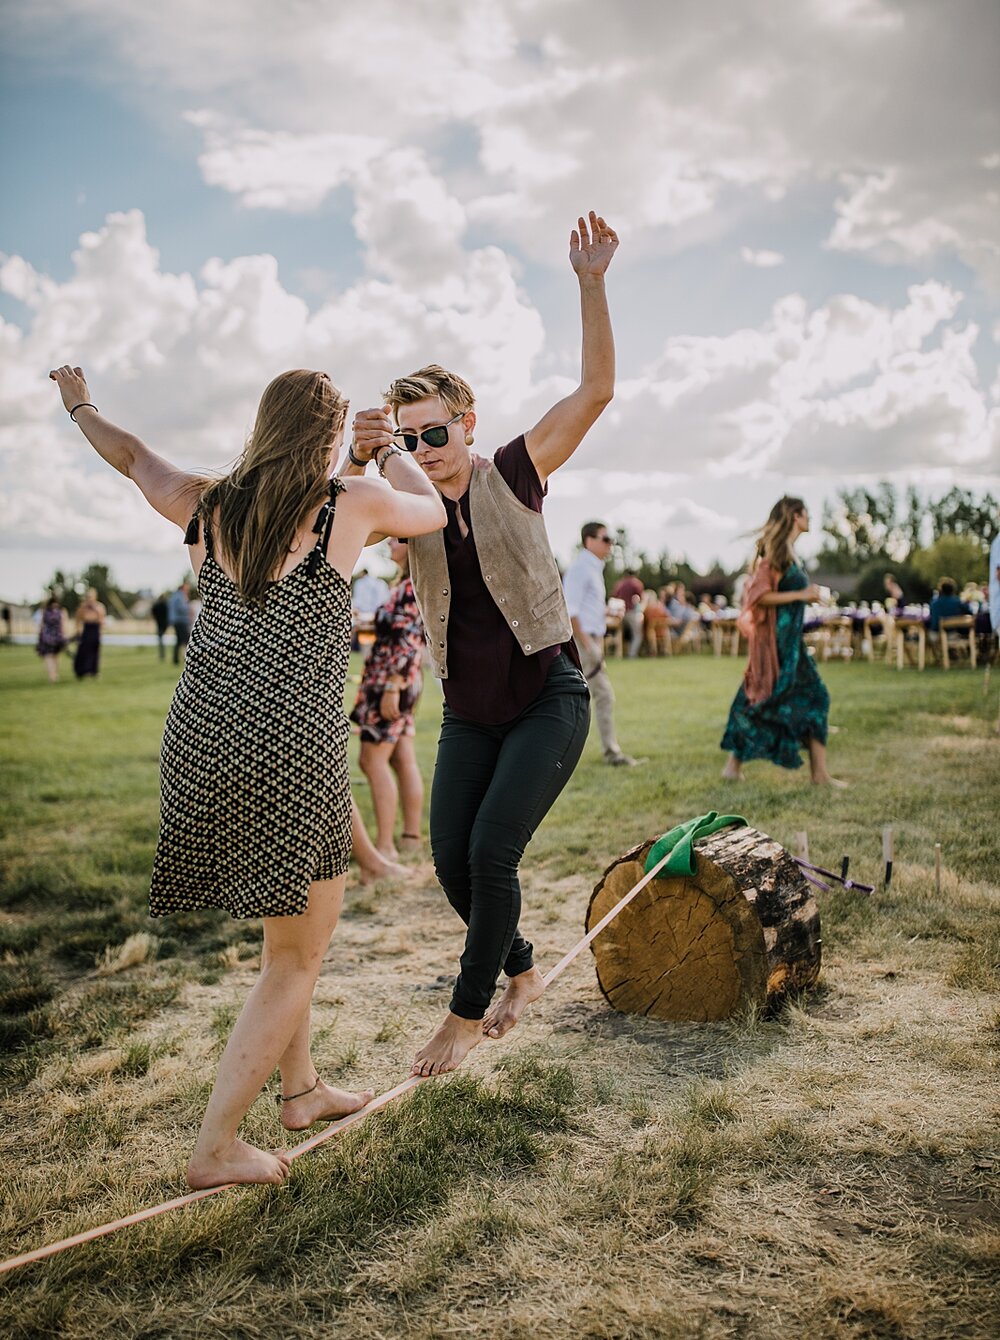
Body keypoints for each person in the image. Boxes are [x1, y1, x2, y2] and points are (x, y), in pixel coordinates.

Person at [48, 362, 445, 1189]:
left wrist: (80, 406)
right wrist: (396, 448)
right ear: (329, 435)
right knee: (296, 957)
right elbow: (433, 511)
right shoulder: (349, 502)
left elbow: (130, 456)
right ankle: (216, 1147)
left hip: (198, 740)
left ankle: (299, 1091)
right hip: (287, 753)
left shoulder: (209, 502)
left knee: (283, 940)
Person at [350, 210, 617, 1079]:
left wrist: (589, 284)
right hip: (469, 712)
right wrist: (356, 456)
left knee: (492, 853)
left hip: (547, 699)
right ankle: (524, 972)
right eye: (411, 438)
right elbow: (341, 512)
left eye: (437, 432)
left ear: (466, 421)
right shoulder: (403, 499)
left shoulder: (514, 469)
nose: (426, 449)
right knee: (453, 867)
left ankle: (461, 1021)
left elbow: (594, 395)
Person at [720, 497, 843, 785]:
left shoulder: (789, 551)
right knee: (769, 698)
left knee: (798, 697)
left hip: (790, 641)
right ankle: (817, 775)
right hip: (777, 643)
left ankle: (816, 774)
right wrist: (802, 595)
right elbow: (758, 596)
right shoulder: (777, 552)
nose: (810, 518)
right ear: (795, 516)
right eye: (806, 513)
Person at [350, 538, 426, 860]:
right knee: (401, 758)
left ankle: (384, 848)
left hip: (390, 682)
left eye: (398, 539)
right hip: (399, 680)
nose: (390, 543)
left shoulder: (411, 587)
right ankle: (410, 837)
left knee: (372, 760)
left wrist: (394, 684)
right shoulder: (410, 583)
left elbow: (410, 639)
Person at [564, 523, 638, 766]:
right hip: (584, 643)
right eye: (605, 539)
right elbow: (571, 609)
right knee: (598, 697)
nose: (610, 544)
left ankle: (607, 752)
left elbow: (585, 608)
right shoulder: (581, 568)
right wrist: (589, 645)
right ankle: (611, 753)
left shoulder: (592, 568)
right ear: (589, 540)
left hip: (591, 640)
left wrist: (607, 612)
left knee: (584, 699)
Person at [73, 587, 106, 678]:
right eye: (88, 597)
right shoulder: (83, 607)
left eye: (91, 597)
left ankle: (93, 671)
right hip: (87, 629)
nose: (89, 599)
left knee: (94, 651)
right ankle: (82, 671)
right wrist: (78, 631)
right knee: (84, 650)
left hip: (95, 629)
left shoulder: (99, 607)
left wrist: (101, 632)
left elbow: (102, 620)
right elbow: (78, 619)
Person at [612, 568, 644, 658]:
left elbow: (614, 596)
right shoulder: (636, 583)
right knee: (637, 634)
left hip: (620, 613)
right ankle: (632, 654)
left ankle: (618, 653)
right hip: (631, 612)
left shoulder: (619, 584)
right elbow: (641, 598)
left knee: (620, 633)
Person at [35, 594, 67, 682]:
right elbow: (63, 625)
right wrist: (64, 636)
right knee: (55, 656)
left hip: (47, 637)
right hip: (57, 636)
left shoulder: (45, 611)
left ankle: (52, 675)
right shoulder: (61, 611)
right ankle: (55, 674)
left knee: (49, 656)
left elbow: (41, 625)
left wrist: (40, 636)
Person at [167, 581, 193, 665]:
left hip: (177, 621)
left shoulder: (174, 596)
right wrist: (189, 609)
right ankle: (188, 657)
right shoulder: (180, 596)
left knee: (178, 640)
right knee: (186, 640)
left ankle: (176, 659)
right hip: (181, 621)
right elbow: (181, 608)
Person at [151, 592, 170, 660]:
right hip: (164, 624)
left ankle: (162, 655)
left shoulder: (157, 605)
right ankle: (162, 655)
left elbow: (153, 612)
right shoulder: (166, 605)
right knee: (162, 640)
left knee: (161, 640)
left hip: (159, 624)